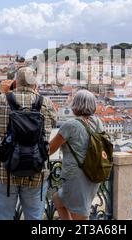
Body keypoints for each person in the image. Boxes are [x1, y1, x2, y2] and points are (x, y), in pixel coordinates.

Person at [0, 67, 57, 220]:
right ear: (35, 84)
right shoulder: (46, 104)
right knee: (34, 217)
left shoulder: (0, 101)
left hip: (4, 171)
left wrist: (1, 92)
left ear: (15, 82)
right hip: (36, 170)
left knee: (2, 217)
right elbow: (54, 120)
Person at [49, 89, 104, 220]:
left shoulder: (70, 125)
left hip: (76, 176)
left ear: (76, 104)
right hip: (94, 173)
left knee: (79, 216)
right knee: (58, 200)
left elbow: (50, 148)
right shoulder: (97, 122)